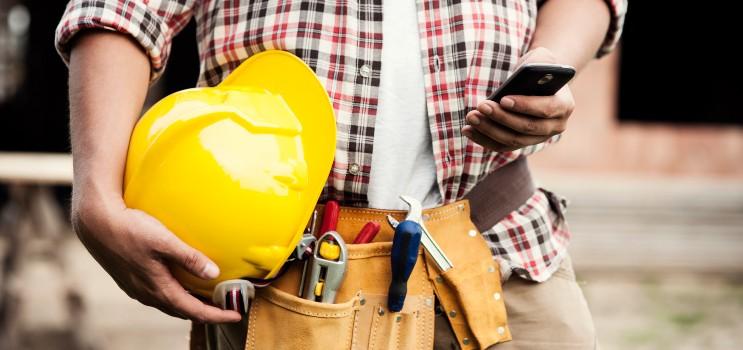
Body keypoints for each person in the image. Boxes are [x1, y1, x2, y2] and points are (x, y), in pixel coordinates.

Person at [55, 0, 626, 348]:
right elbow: (120, 10)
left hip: (505, 253)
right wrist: (97, 196)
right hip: (291, 277)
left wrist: (553, 55)